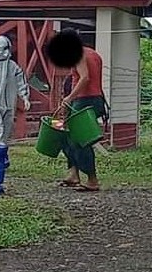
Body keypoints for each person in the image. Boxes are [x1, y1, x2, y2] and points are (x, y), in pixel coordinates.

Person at [46, 29, 107, 192]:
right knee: (66, 134)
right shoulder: (93, 53)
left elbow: (85, 77)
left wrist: (69, 98)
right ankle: (73, 173)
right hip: (96, 99)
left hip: (84, 100)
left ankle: (92, 179)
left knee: (79, 140)